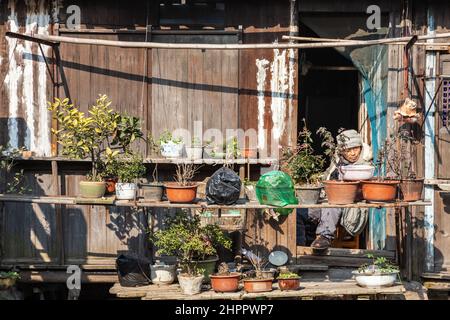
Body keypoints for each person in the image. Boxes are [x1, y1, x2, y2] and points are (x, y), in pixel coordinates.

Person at [297, 129, 373, 251]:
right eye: (348, 150)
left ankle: (324, 236)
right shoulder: (337, 160)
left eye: (356, 148)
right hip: (328, 200)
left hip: (349, 204)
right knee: (300, 212)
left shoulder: (367, 163)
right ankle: (300, 248)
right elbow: (327, 177)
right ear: (342, 151)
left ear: (360, 147)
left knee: (333, 204)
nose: (353, 153)